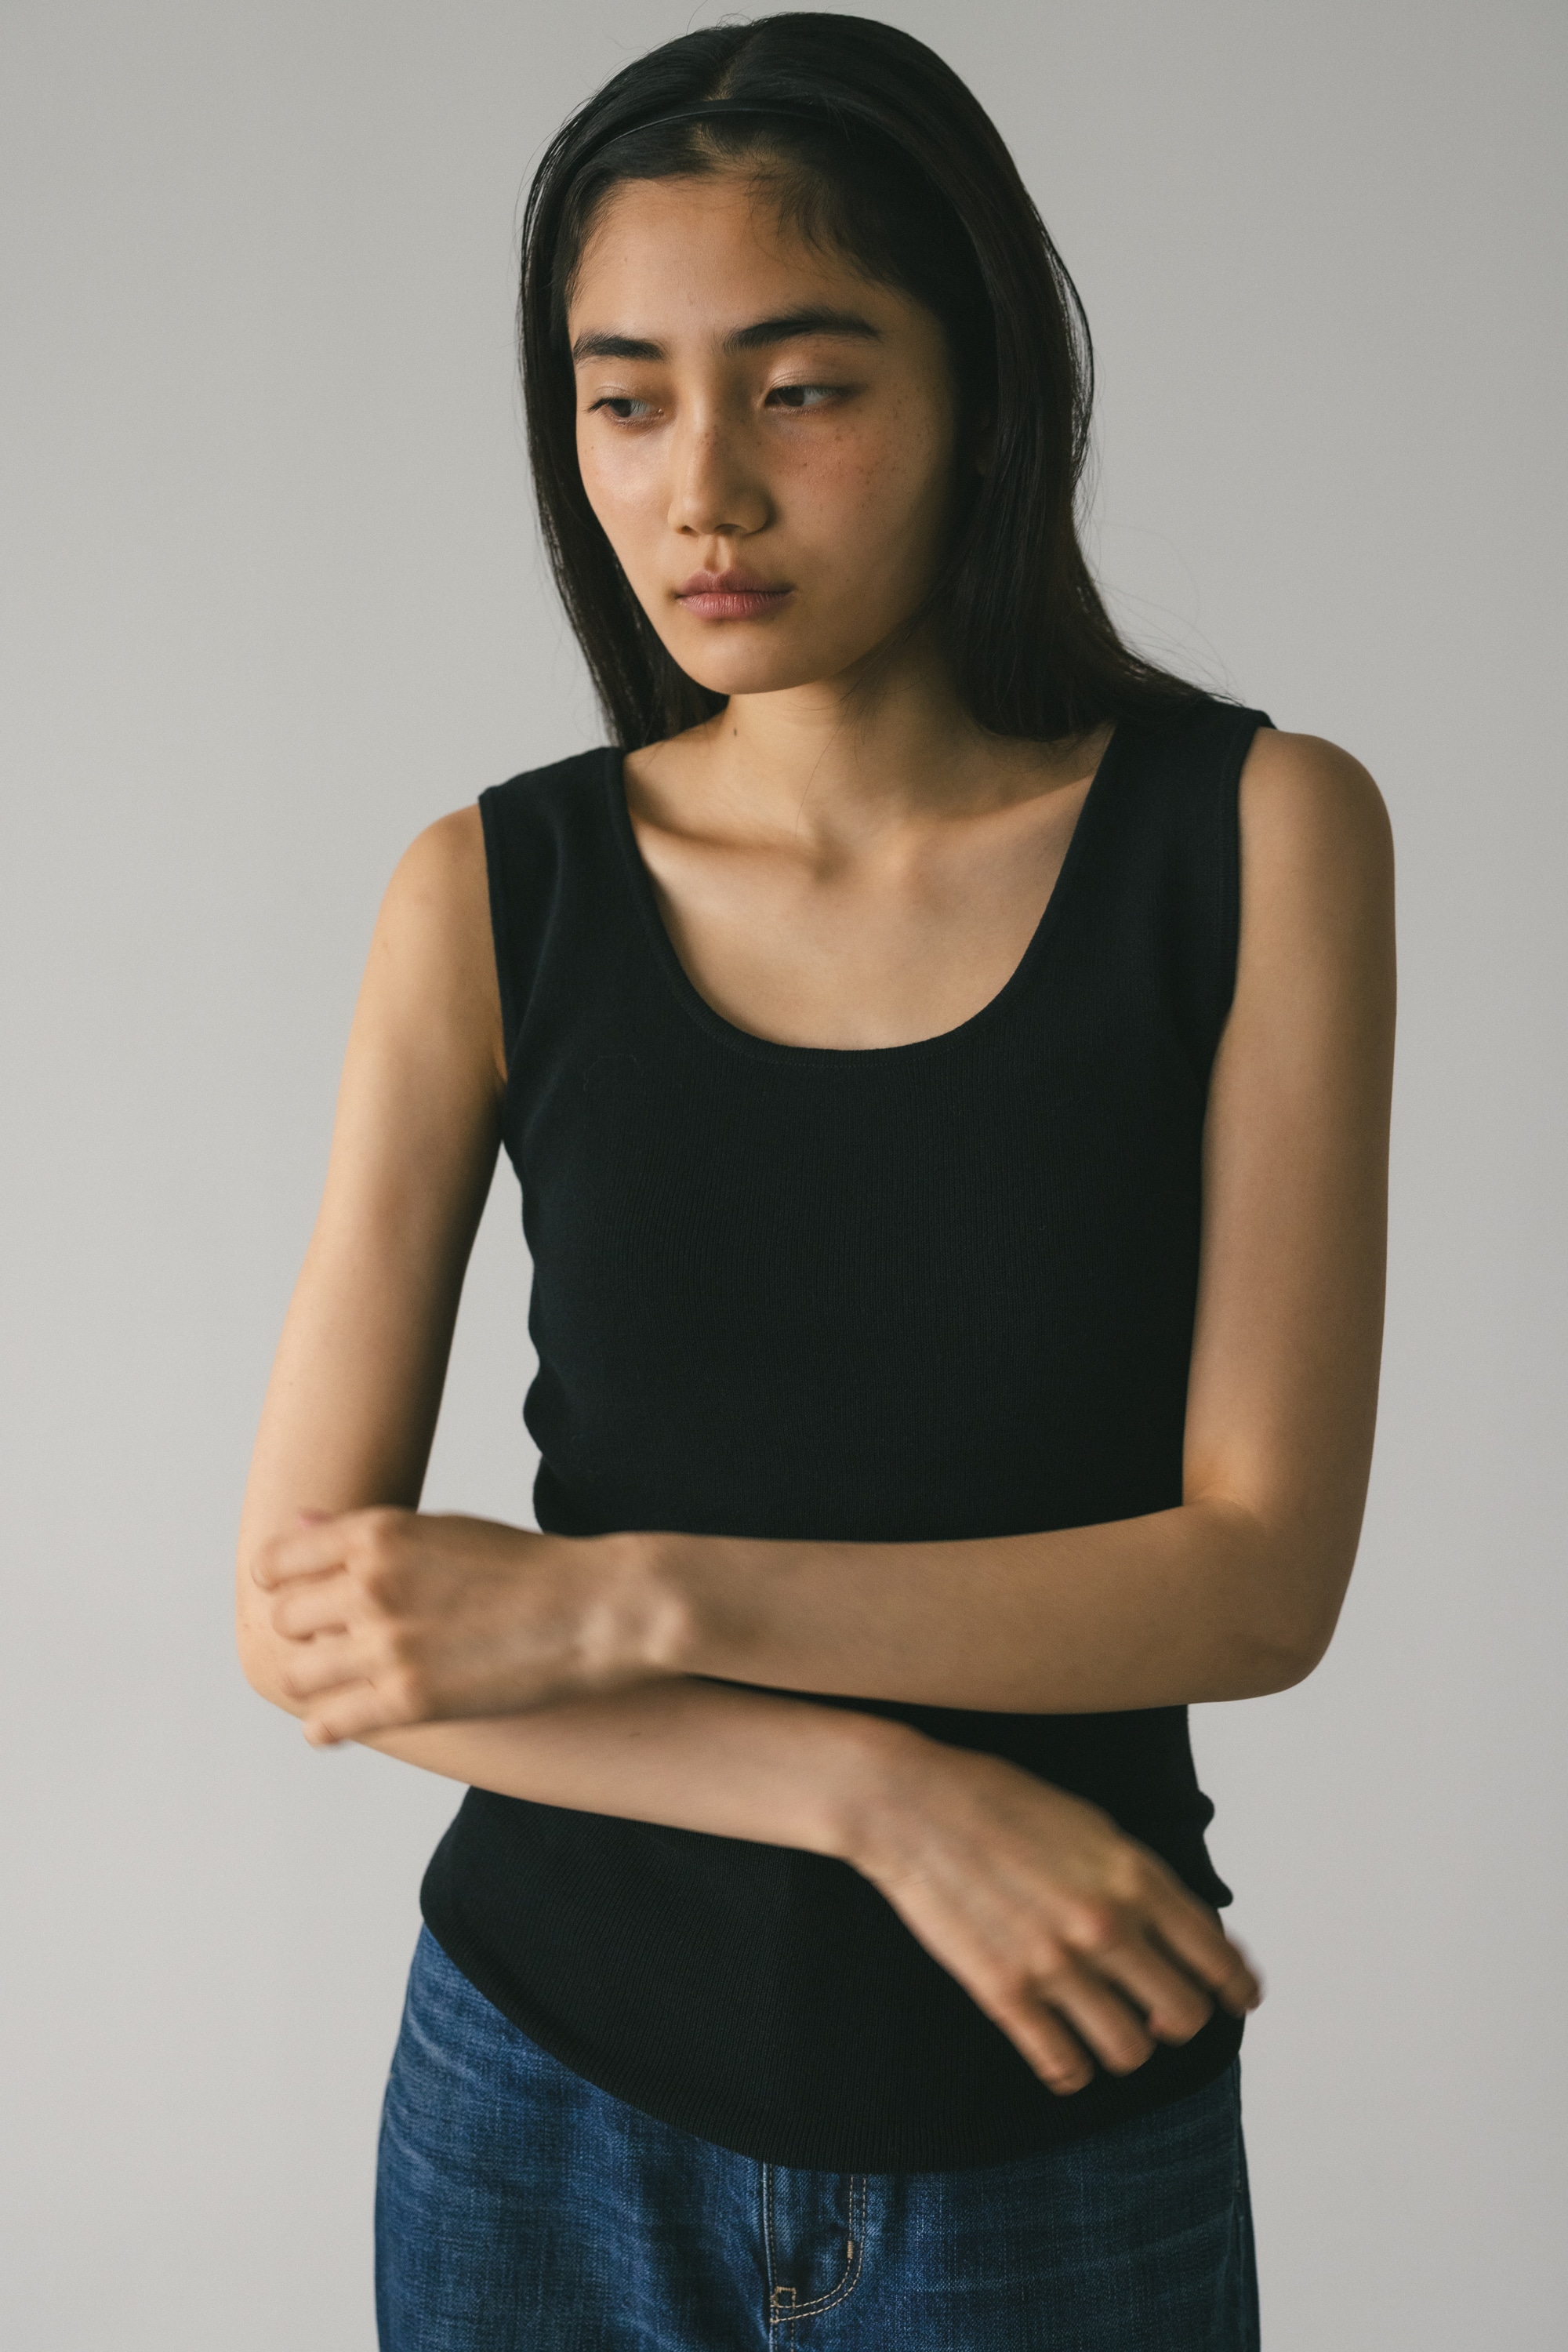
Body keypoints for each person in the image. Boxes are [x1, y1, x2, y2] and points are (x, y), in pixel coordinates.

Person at [235, 14, 1395, 2347]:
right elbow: (314, 1622)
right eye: (623, 399)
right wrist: (871, 1791)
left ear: (983, 394)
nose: (704, 494)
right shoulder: (488, 895)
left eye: (802, 387)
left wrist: (621, 1598)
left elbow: (1255, 1584)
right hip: (537, 2111)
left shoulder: (1258, 838)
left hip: (1055, 2128)